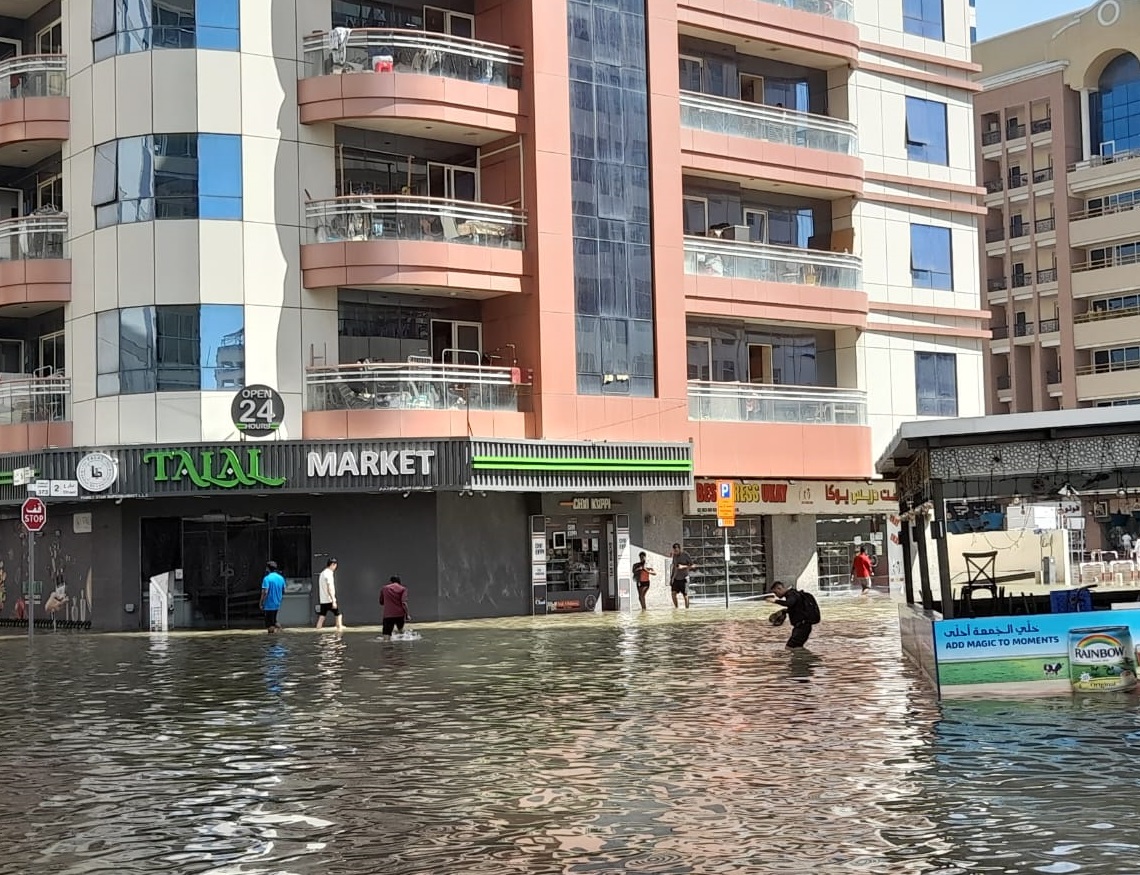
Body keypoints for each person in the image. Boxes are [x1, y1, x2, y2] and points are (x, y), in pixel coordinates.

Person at [769, 580, 820, 650]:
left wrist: (775, 601)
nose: (776, 595)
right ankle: (805, 660)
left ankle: (805, 659)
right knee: (797, 647)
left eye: (775, 592)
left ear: (779, 588)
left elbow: (789, 603)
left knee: (789, 647)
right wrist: (785, 611)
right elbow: (797, 609)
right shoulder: (794, 594)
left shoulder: (791, 594)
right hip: (803, 627)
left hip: (802, 627)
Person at [316, 557, 343, 631]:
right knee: (338, 614)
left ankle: (318, 629)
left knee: (322, 616)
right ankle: (339, 628)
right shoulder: (329, 574)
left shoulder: (322, 573)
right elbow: (329, 587)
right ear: (333, 564)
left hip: (323, 600)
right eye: (335, 565)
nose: (335, 567)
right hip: (329, 599)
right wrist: (333, 600)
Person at [260, 561, 286, 634]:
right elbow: (283, 590)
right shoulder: (281, 578)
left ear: (268, 568)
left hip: (269, 604)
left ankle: (272, 639)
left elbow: (265, 592)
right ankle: (280, 632)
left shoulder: (267, 578)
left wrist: (261, 602)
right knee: (274, 620)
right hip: (277, 603)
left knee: (270, 624)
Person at [669, 543, 693, 609]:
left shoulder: (685, 555)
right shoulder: (674, 556)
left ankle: (687, 609)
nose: (675, 552)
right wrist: (671, 578)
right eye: (674, 551)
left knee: (685, 595)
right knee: (673, 594)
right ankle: (676, 608)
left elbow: (693, 565)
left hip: (684, 578)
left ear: (679, 549)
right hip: (676, 578)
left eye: (676, 551)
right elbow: (674, 567)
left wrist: (683, 566)